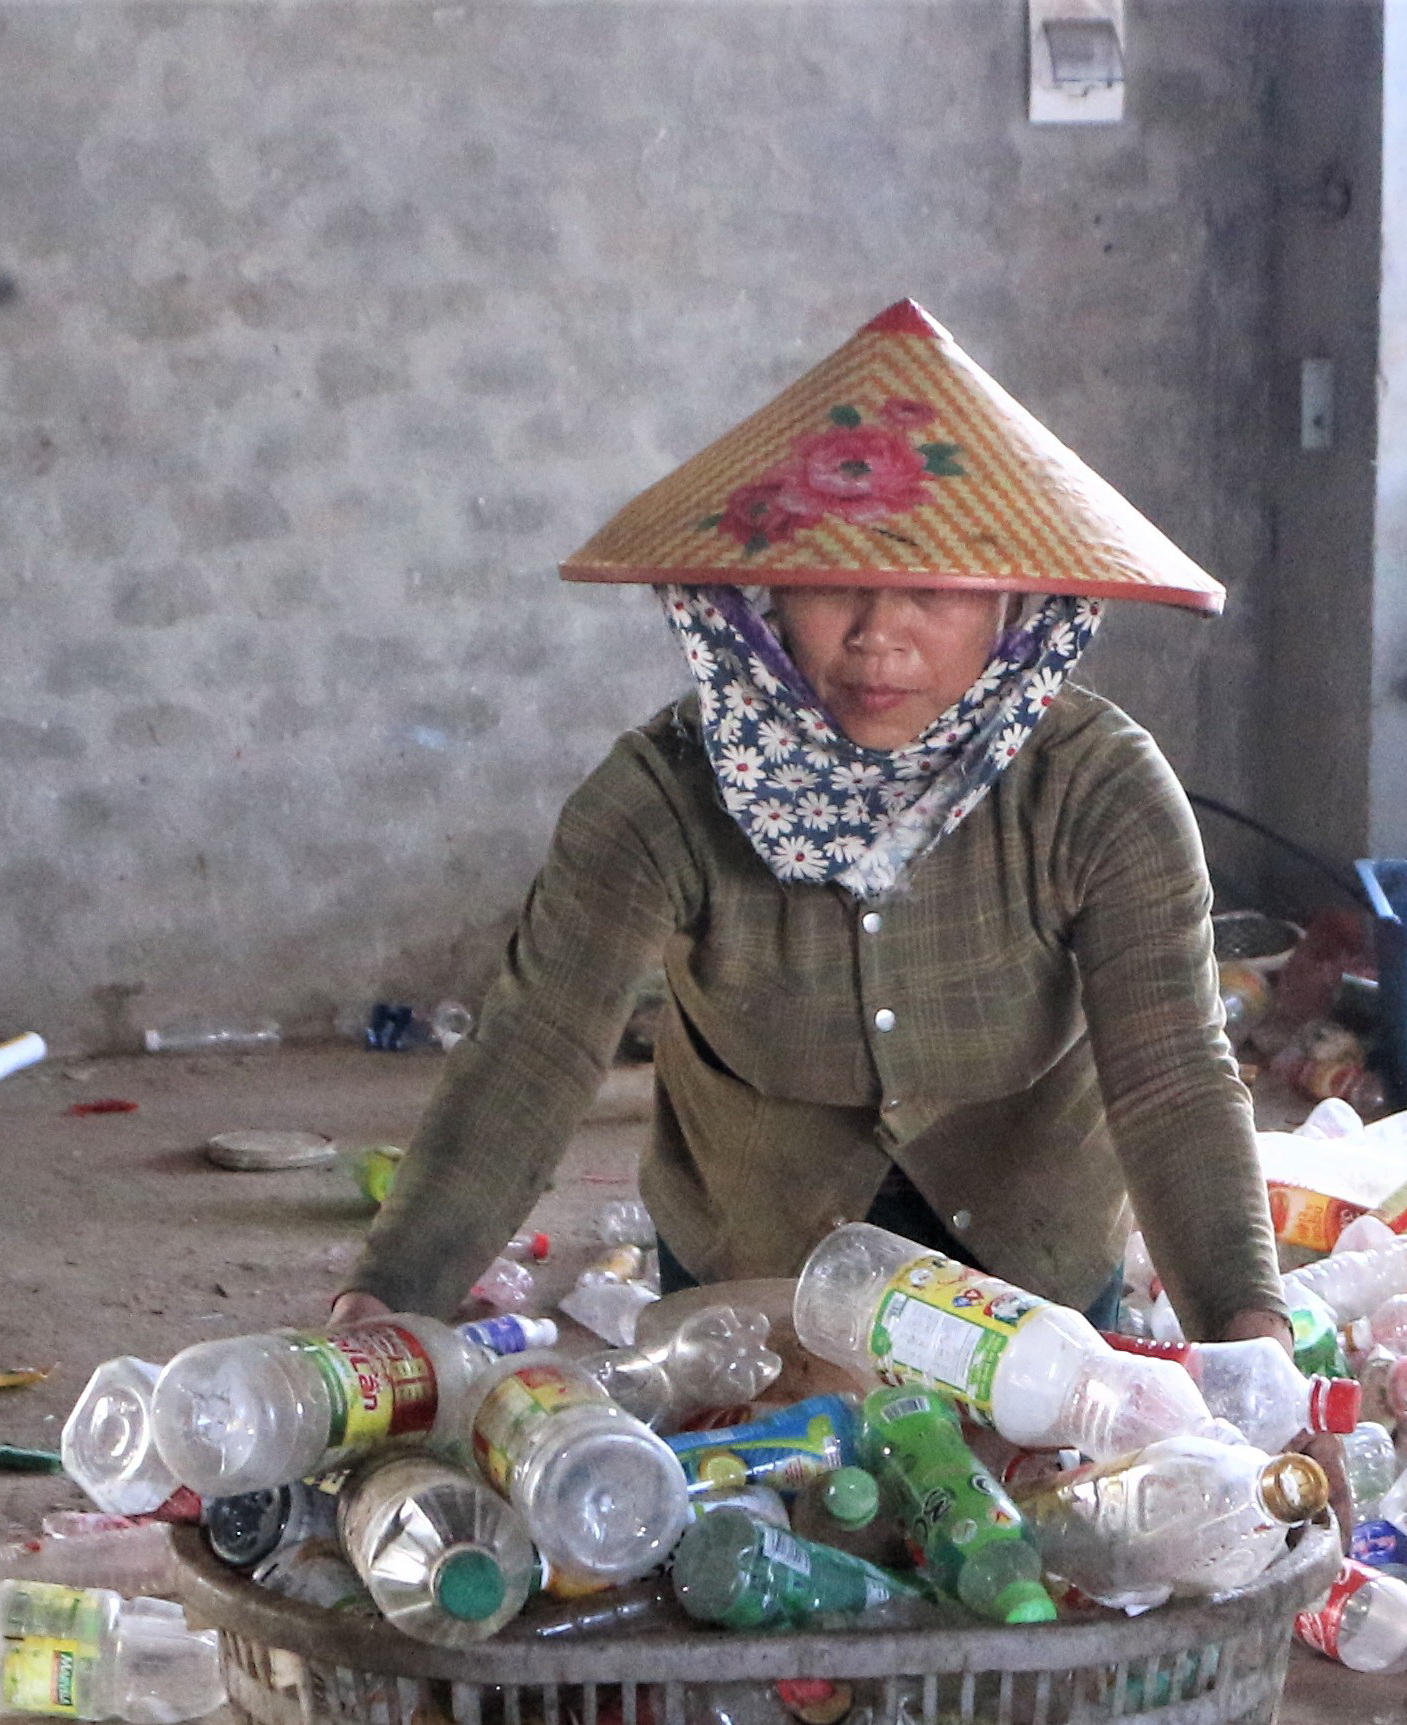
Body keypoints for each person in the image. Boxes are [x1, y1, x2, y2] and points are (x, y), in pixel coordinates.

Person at [336, 301, 1288, 1350]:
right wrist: (386, 1300)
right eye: (833, 584)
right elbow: (534, 1051)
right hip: (753, 1277)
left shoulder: (1096, 790)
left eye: (933, 590)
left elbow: (1172, 1074)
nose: (879, 635)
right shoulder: (663, 793)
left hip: (1029, 1274)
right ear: (765, 598)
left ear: (1012, 605)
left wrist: (1248, 1327)